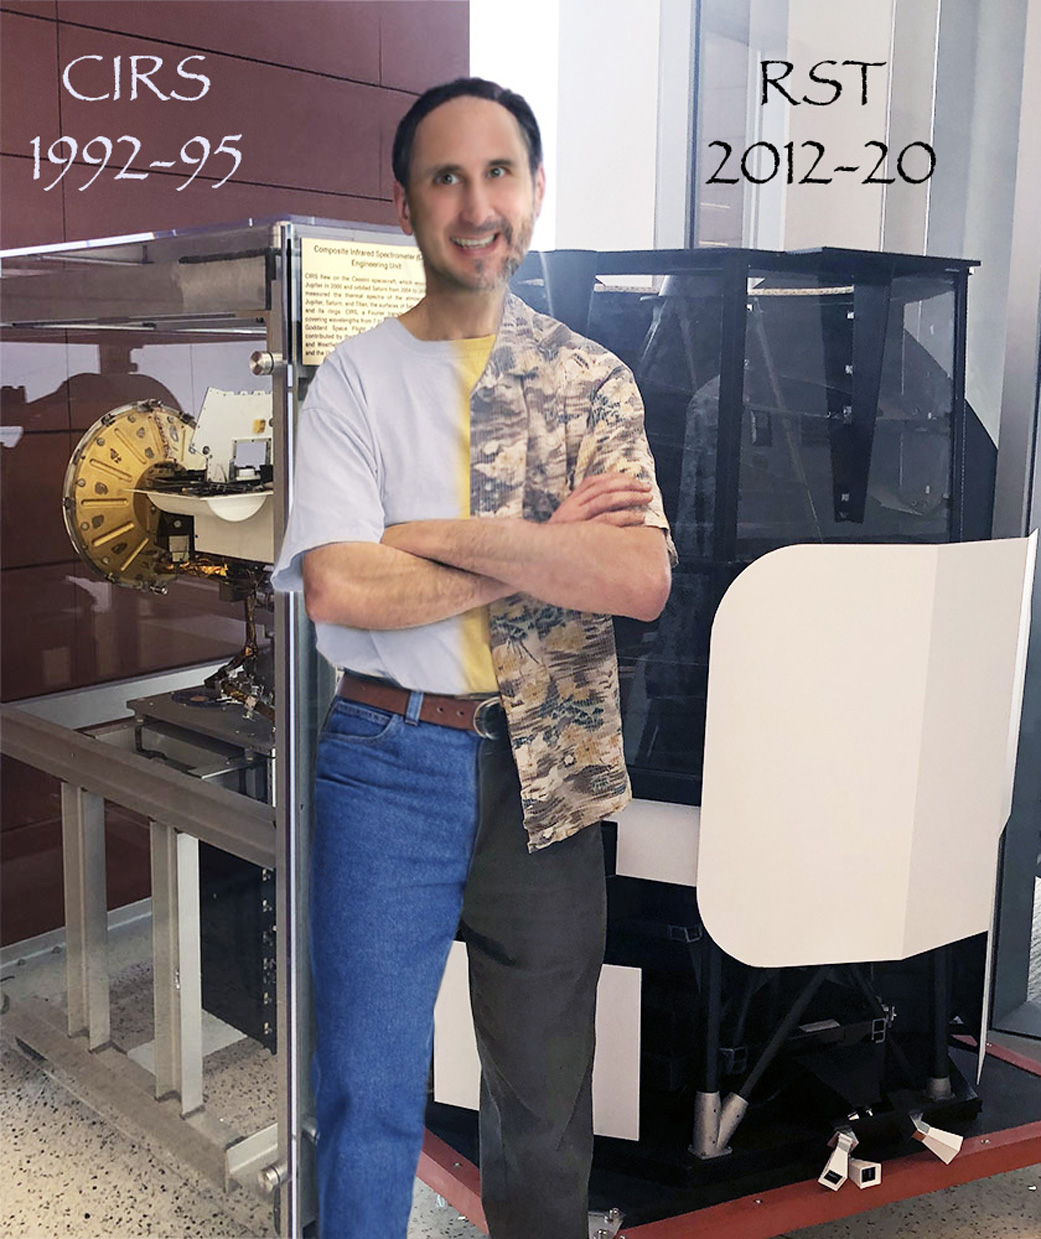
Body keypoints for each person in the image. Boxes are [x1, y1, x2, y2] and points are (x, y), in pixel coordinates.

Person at [272, 77, 675, 1239]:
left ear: (536, 192)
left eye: (499, 172)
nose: (476, 202)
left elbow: (637, 580)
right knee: (368, 1092)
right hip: (388, 753)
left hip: (550, 765)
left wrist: (437, 541)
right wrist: (548, 552)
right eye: (445, 176)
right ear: (404, 205)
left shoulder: (590, 380)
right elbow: (344, 586)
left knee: (544, 1102)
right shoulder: (352, 381)